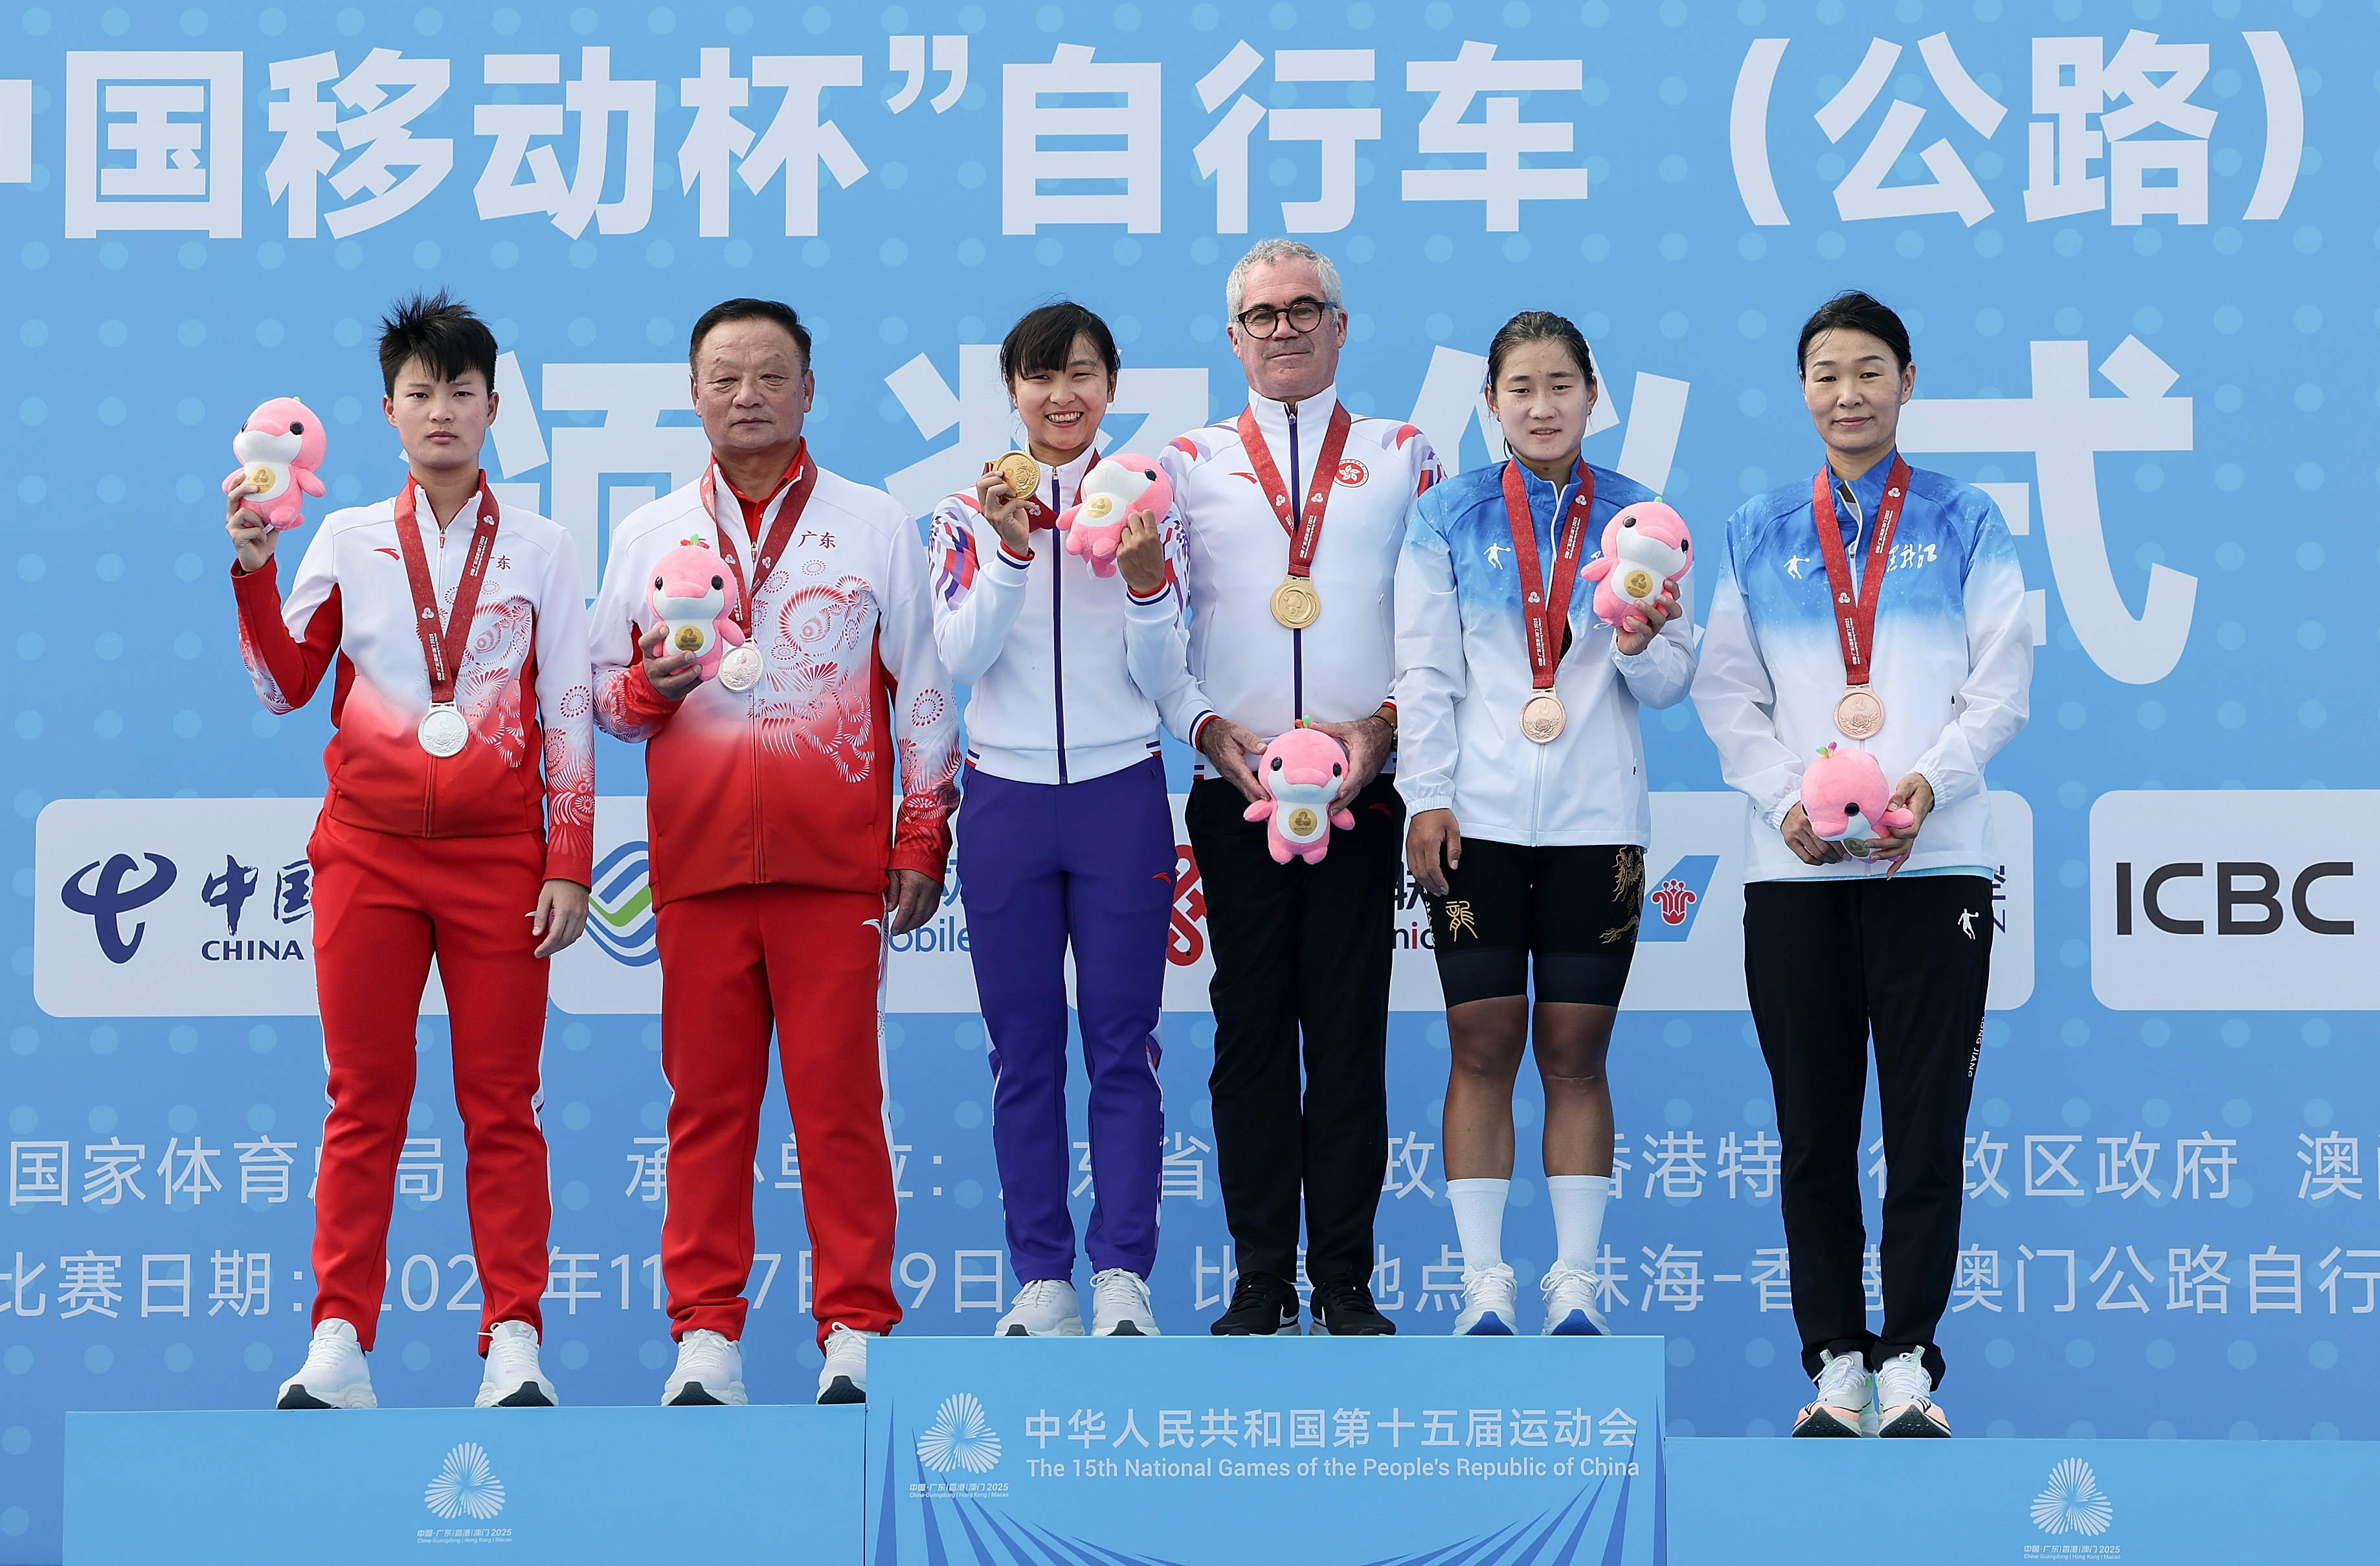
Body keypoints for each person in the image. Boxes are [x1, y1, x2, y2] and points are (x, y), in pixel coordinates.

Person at [588, 298, 959, 1405]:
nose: (747, 396)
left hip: (834, 868)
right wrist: (648, 689)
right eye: (725, 378)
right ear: (693, 394)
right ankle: (706, 1335)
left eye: (769, 375)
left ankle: (856, 1327)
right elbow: (601, 699)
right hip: (699, 867)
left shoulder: (872, 522)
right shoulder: (649, 533)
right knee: (707, 1109)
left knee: (840, 1106)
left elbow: (923, 685)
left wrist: (922, 829)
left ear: (809, 389)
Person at [229, 291, 592, 1411]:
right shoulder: (344, 538)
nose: (441, 411)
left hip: (499, 860)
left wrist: (569, 859)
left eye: (462, 392)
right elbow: (285, 686)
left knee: (502, 1104)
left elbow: (567, 713)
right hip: (368, 856)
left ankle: (514, 1338)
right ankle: (339, 1337)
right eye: (420, 392)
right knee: (364, 1100)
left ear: (494, 408)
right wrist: (253, 569)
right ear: (387, 410)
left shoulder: (543, 547)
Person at [1692, 291, 2029, 1437]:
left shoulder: (1966, 518)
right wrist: (1786, 800)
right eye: (1827, 374)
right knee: (1814, 1132)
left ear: (1908, 380)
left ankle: (1912, 1361)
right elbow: (1726, 689)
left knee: (1927, 1128)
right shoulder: (1759, 527)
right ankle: (1836, 1359)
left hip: (1934, 868)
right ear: (1803, 390)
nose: (1849, 394)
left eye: (1870, 371)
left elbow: (2001, 683)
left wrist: (1929, 783)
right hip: (1795, 876)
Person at [1162, 239, 1442, 1336]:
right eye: (1263, 315)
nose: (1284, 329)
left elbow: (1438, 628)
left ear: (1341, 325)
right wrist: (1203, 727)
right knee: (1248, 1037)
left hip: (1362, 793)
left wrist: (1386, 730)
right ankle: (1260, 1276)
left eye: (1305, 309)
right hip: (1235, 793)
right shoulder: (1186, 462)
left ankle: (1345, 1280)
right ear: (1233, 337)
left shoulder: (1404, 453)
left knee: (1347, 1034)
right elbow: (1151, 623)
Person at [1397, 311, 1694, 1338]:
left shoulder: (1643, 519)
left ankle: (1575, 1280)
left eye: (1561, 385)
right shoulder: (1446, 516)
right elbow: (1424, 671)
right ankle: (1484, 1281)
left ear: (1592, 395)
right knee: (1481, 1043)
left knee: (1576, 1051)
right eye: (1520, 388)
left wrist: (1643, 640)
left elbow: (1670, 684)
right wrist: (1426, 796)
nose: (1541, 406)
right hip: (1473, 821)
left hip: (1597, 820)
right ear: (1490, 402)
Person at [925, 302, 1204, 1338]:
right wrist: (1007, 555)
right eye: (1040, 376)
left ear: (1112, 385)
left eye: (1081, 374)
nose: (1062, 395)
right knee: (1023, 1053)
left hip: (1119, 794)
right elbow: (958, 656)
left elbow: (1164, 675)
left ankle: (1124, 1271)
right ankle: (1042, 1277)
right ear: (1012, 391)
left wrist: (1144, 585)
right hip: (1004, 799)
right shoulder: (963, 511)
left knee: (1124, 1047)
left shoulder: (1150, 504)